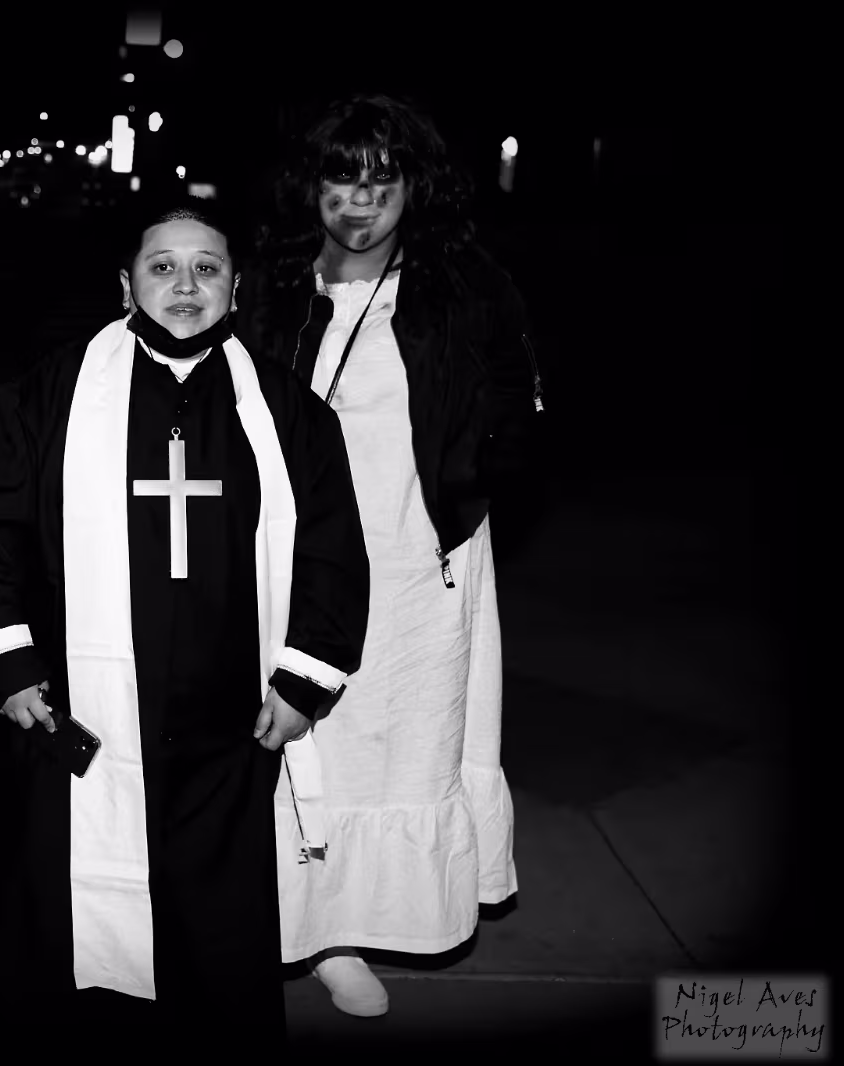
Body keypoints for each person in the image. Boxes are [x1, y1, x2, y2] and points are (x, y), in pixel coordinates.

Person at [0, 201, 370, 1048]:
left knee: (214, 927)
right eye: (163, 266)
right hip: (77, 714)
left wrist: (303, 682)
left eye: (206, 268)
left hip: (228, 725)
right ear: (126, 285)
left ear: (236, 288)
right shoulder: (49, 396)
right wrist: (11, 666)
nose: (186, 285)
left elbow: (332, 551)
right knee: (68, 925)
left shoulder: (285, 412)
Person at [240, 93, 542, 1016]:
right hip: (294, 556)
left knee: (398, 742)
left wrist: (465, 492)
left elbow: (516, 401)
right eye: (343, 177)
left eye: (385, 179)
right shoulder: (272, 283)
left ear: (416, 188)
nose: (362, 201)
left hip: (417, 560)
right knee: (303, 742)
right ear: (312, 184)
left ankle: (354, 928)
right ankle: (304, 928)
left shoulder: (462, 285)